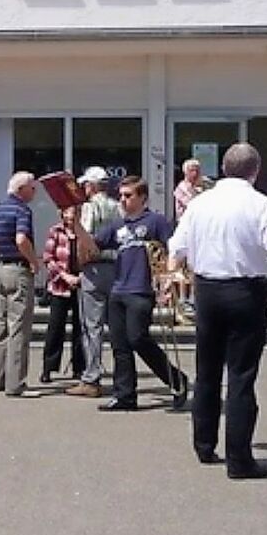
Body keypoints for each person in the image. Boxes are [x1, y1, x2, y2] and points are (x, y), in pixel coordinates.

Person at [169, 143, 267, 479]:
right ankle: (239, 460)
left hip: (207, 289)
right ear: (256, 170)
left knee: (207, 371)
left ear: (223, 168)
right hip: (245, 292)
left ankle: (204, 444)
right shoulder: (258, 203)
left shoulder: (200, 203)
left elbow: (176, 247)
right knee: (240, 376)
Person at [76, 176, 187, 412]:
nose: (123, 200)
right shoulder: (117, 225)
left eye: (129, 196)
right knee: (120, 345)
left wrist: (168, 280)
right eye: (121, 196)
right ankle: (125, 395)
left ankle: (176, 380)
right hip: (118, 289)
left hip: (141, 289)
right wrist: (76, 225)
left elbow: (172, 250)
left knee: (138, 338)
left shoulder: (156, 221)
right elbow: (93, 247)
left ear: (143, 197)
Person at [65, 166, 120, 399]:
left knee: (92, 326)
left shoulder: (89, 207)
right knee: (117, 325)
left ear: (94, 186)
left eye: (87, 184)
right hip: (116, 267)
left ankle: (91, 377)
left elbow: (85, 238)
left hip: (94, 268)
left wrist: (80, 260)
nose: (84, 188)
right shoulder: (118, 207)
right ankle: (122, 376)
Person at [0, 172, 41, 397]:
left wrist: (3, 251)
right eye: (32, 187)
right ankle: (16, 383)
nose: (34, 191)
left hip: (1, 269)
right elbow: (21, 239)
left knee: (1, 327)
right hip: (18, 269)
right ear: (21, 190)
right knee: (19, 327)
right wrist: (33, 260)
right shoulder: (22, 210)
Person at [40, 205, 85, 383]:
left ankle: (79, 368)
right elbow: (48, 258)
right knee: (55, 328)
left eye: (75, 212)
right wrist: (65, 276)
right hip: (60, 286)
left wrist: (81, 277)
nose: (71, 215)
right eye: (68, 212)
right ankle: (48, 368)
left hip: (80, 285)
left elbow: (91, 255)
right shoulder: (56, 231)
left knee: (80, 329)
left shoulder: (85, 231)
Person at [174, 158, 212, 317]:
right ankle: (184, 298)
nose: (195, 173)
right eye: (192, 170)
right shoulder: (182, 188)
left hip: (201, 231)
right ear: (185, 172)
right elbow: (192, 205)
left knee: (197, 265)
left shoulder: (204, 187)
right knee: (184, 266)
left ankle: (194, 297)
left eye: (197, 169)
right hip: (186, 231)